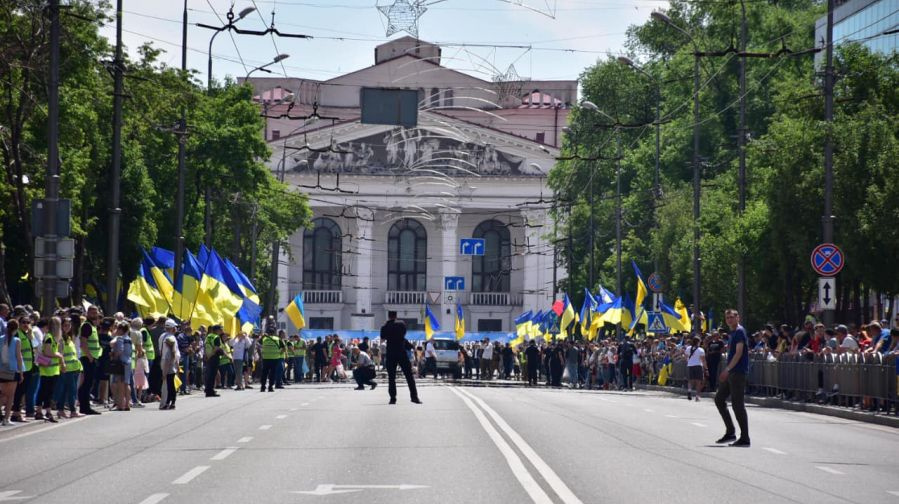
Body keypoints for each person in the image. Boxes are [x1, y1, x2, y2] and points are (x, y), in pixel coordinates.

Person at [715, 309, 750, 447]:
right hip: (732, 372)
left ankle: (745, 437)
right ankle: (730, 432)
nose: (729, 320)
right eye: (727, 317)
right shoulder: (733, 333)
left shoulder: (740, 331)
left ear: (738, 318)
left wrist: (727, 369)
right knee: (719, 399)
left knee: (738, 405)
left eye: (732, 317)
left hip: (737, 372)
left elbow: (739, 353)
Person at [381, 311, 420, 404]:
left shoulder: (385, 326)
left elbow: (383, 337)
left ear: (388, 316)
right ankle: (414, 397)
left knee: (391, 377)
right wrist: (411, 346)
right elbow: (402, 338)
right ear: (396, 316)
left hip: (390, 353)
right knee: (409, 376)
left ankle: (393, 398)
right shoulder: (401, 324)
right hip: (401, 353)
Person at [37, 316, 65, 422]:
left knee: (47, 391)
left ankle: (43, 411)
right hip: (47, 369)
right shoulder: (49, 337)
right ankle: (45, 412)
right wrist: (59, 356)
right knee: (46, 391)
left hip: (52, 369)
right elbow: (47, 352)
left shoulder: (52, 337)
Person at [77, 306, 102, 415]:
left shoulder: (93, 326)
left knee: (89, 383)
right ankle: (84, 407)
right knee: (87, 383)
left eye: (95, 312)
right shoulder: (87, 326)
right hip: (88, 358)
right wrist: (90, 357)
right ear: (88, 313)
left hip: (92, 358)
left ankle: (85, 406)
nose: (94, 314)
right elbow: (83, 343)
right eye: (92, 312)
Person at [0, 320, 25, 426]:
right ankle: (6, 419)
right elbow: (19, 357)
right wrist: (21, 372)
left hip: (1, 370)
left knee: (2, 395)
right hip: (12, 370)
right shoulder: (16, 340)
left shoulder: (1, 339)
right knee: (10, 396)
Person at [159, 334, 180, 410]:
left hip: (168, 372)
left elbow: (166, 364)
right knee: (172, 387)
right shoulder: (174, 352)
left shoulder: (168, 353)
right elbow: (177, 362)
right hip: (173, 371)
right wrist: (177, 369)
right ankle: (173, 402)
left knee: (169, 388)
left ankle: (167, 402)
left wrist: (164, 374)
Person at [684, 336, 707, 402]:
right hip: (698, 365)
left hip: (690, 365)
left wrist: (688, 362)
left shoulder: (688, 348)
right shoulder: (701, 350)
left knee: (690, 380)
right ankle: (697, 396)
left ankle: (689, 390)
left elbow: (685, 357)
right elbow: (703, 360)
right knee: (698, 381)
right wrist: (706, 368)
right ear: (698, 342)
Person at [204, 325, 224, 397]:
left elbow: (206, 346)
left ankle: (208, 390)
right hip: (214, 357)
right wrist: (211, 355)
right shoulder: (216, 337)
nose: (222, 330)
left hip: (208, 356)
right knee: (212, 375)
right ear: (217, 330)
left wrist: (207, 356)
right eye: (221, 329)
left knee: (209, 374)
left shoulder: (208, 336)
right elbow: (216, 348)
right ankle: (210, 391)